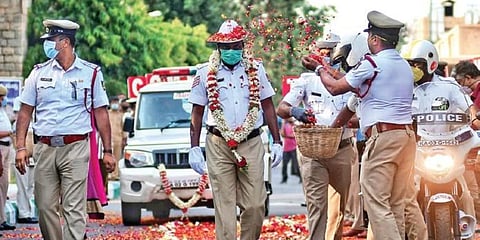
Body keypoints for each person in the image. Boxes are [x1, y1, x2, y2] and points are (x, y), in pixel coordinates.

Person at [302, 11, 416, 239]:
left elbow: (335, 88)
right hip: (406, 138)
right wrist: (330, 70)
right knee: (395, 204)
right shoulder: (402, 65)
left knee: (376, 202)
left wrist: (318, 69)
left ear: (374, 39)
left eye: (369, 38)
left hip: (383, 139)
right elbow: (354, 85)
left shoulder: (372, 63)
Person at [15, 19, 116, 240]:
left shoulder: (91, 73)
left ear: (66, 42)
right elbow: (25, 112)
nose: (47, 45)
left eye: (52, 40)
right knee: (44, 205)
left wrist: (108, 151)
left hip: (76, 148)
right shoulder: (38, 73)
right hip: (45, 148)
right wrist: (21, 147)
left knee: (73, 207)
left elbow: (101, 113)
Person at [188, 19, 282, 240]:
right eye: (226, 47)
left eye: (235, 46)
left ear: (243, 46)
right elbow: (197, 113)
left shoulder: (256, 69)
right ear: (218, 48)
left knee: (256, 204)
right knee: (225, 205)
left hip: (251, 142)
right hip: (218, 144)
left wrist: (277, 141)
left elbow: (268, 105)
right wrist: (193, 147)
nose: (231, 51)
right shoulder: (204, 73)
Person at [277, 32, 356, 240]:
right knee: (316, 206)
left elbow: (361, 115)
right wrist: (296, 112)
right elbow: (282, 108)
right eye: (323, 51)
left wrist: (347, 121)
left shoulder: (350, 81)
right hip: (313, 152)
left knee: (339, 208)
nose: (327, 56)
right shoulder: (307, 81)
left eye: (332, 51)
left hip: (342, 148)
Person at [11, 96, 38, 224]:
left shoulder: (35, 122)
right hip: (22, 157)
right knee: (22, 185)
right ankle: (23, 213)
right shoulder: (17, 124)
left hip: (33, 158)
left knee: (30, 186)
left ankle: (27, 211)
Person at [0, 85, 16, 232]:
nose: (2, 100)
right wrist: (9, 133)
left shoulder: (4, 111)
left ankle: (2, 218)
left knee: (4, 186)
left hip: (6, 148)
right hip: (0, 147)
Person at [108, 96, 125, 180]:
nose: (115, 104)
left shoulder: (121, 115)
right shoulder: (107, 114)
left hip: (118, 139)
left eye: (116, 102)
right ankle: (108, 175)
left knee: (117, 158)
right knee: (109, 157)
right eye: (113, 102)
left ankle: (115, 174)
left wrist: (124, 138)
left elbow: (123, 128)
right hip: (109, 139)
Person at [280, 117, 300, 184]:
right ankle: (284, 178)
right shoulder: (285, 125)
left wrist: (289, 135)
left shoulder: (295, 125)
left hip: (294, 147)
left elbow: (295, 134)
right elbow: (282, 134)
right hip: (286, 147)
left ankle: (300, 177)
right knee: (284, 164)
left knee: (295, 164)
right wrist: (283, 122)